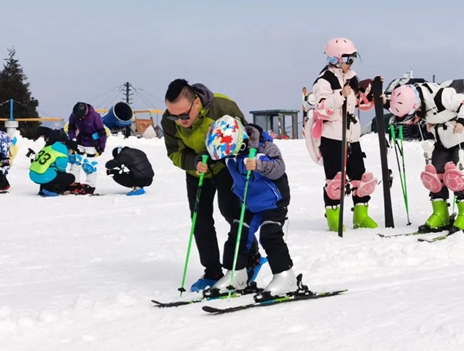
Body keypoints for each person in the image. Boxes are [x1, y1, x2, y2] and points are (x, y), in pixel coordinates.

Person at [162, 78, 262, 292]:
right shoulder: (169, 121)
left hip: (227, 167)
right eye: (173, 115)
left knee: (232, 211)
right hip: (198, 171)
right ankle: (212, 271)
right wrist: (194, 162)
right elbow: (174, 153)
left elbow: (245, 138)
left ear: (196, 103)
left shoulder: (223, 107)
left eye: (183, 115)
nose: (179, 121)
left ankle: (251, 256)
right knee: (200, 220)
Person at [205, 116, 296, 296]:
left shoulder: (264, 146)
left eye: (229, 152)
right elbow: (211, 157)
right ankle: (236, 275)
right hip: (249, 203)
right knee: (238, 233)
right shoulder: (230, 153)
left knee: (270, 234)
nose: (227, 157)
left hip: (273, 201)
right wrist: (201, 161)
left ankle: (286, 277)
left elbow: (279, 166)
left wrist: (259, 165)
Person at [387, 83, 464, 231]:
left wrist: (461, 121)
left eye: (411, 116)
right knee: (434, 173)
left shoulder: (441, 96)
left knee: (458, 172)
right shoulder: (417, 102)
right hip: (444, 138)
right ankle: (440, 213)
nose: (412, 119)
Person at [304, 37, 379, 232]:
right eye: (349, 59)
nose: (351, 63)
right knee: (336, 179)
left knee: (359, 176)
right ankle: (333, 216)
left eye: (353, 58)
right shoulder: (323, 81)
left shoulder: (352, 78)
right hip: (333, 137)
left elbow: (360, 102)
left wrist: (372, 90)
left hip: (352, 136)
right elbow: (320, 106)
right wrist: (340, 96)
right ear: (336, 59)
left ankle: (361, 215)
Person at [66, 102, 108, 192]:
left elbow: (102, 133)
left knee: (88, 166)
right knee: (75, 162)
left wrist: (101, 146)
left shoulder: (95, 116)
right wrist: (72, 139)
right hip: (80, 141)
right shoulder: (74, 115)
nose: (80, 119)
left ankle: (90, 185)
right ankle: (74, 182)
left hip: (92, 143)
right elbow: (71, 128)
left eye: (82, 117)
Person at [29, 130, 81, 196]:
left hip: (33, 174)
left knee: (50, 170)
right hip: (42, 176)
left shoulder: (50, 147)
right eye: (72, 151)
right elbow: (61, 169)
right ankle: (50, 190)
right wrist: (67, 182)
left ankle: (43, 189)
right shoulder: (63, 152)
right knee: (70, 177)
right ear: (69, 149)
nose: (71, 153)